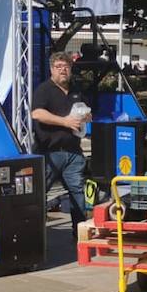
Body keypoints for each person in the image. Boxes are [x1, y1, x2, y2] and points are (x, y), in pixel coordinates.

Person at [32, 51, 92, 229]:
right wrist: (64, 122)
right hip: (50, 152)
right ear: (51, 69)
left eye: (66, 67)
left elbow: (88, 111)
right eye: (58, 67)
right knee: (41, 191)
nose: (63, 70)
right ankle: (37, 231)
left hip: (73, 151)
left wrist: (86, 116)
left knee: (77, 191)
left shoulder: (76, 90)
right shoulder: (44, 90)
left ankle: (79, 230)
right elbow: (37, 113)